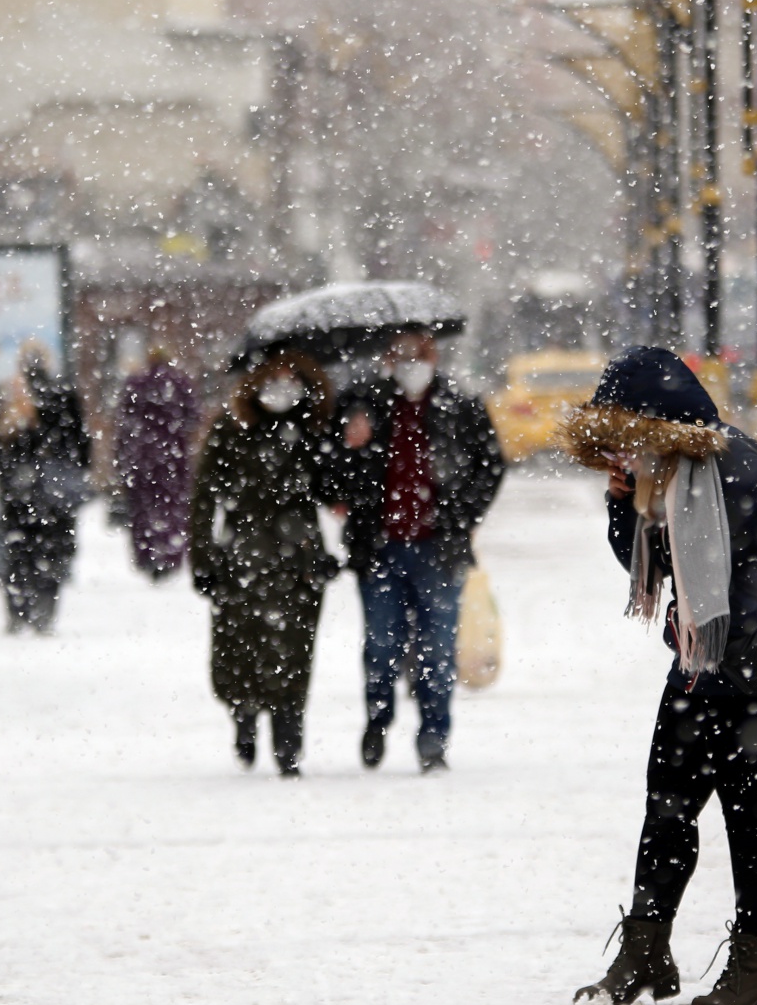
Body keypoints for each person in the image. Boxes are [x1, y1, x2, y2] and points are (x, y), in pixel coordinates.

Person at [562, 346, 757, 1005]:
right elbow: (644, 561)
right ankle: (647, 953)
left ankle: (752, 970)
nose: (618, 449)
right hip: (704, 664)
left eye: (624, 433)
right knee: (668, 804)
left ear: (657, 423)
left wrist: (732, 623)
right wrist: (623, 503)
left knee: (748, 810)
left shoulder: (735, 464)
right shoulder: (659, 472)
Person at [329, 329, 504, 773]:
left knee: (437, 649)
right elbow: (330, 468)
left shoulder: (459, 405)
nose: (411, 364)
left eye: (418, 354)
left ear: (433, 356)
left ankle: (433, 738)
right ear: (389, 359)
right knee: (381, 644)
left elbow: (490, 464)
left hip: (438, 549)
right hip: (380, 547)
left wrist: (462, 515)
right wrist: (351, 448)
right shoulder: (364, 403)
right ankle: (378, 718)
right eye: (402, 354)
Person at [189, 350, 340, 776]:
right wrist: (203, 559)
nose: (282, 389)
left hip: (299, 559)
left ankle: (288, 737)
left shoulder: (312, 430)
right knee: (240, 647)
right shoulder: (230, 429)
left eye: (292, 379)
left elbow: (336, 488)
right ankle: (245, 714)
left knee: (294, 650)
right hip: (243, 557)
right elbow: (204, 497)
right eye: (274, 379)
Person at [0, 342, 91, 634]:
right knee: (52, 551)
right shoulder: (63, 394)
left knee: (18, 551)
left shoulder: (7, 394)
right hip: (55, 491)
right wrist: (78, 473)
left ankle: (17, 611)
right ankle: (44, 613)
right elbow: (82, 442)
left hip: (16, 488)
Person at [116, 345, 199, 578]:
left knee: (143, 507)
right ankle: (169, 554)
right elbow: (193, 417)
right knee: (171, 506)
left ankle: (147, 554)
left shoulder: (136, 383)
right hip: (173, 454)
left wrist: (124, 456)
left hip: (141, 455)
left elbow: (124, 421)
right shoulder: (179, 383)